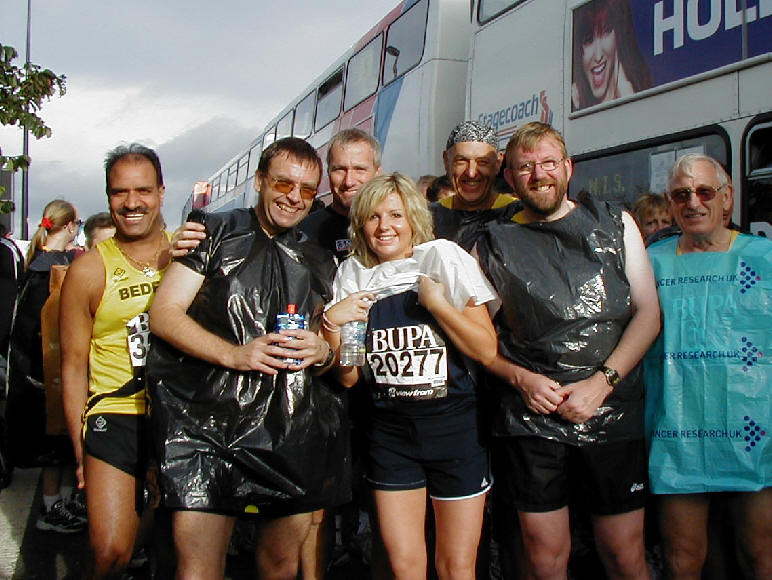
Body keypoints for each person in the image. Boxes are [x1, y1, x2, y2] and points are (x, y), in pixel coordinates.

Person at [147, 137, 348, 580]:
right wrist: (234, 355)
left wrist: (323, 351)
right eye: (283, 183)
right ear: (260, 181)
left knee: (280, 567)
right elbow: (164, 314)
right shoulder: (213, 231)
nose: (294, 197)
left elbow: (336, 345)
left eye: (306, 189)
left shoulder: (321, 257)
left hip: (288, 429)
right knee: (198, 569)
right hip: (204, 425)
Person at [479, 121, 660, 579]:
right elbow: (480, 339)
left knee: (624, 554)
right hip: (532, 416)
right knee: (545, 558)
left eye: (548, 163)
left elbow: (647, 314)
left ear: (568, 167)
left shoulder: (616, 224)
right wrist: (522, 380)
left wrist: (602, 383)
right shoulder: (492, 243)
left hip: (612, 410)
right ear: (510, 177)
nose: (539, 175)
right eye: (525, 167)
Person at [323, 173, 498, 580]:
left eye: (395, 215)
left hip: (455, 429)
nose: (384, 226)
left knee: (456, 566)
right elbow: (349, 377)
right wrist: (334, 323)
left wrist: (438, 305)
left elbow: (486, 349)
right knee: (404, 566)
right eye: (373, 217)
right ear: (360, 224)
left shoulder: (443, 257)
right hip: (390, 436)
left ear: (413, 218)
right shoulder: (352, 273)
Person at [644, 154, 772, 579]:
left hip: (755, 433)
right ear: (670, 202)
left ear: (727, 198)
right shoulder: (651, 262)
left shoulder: (765, 259)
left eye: (704, 192)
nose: (693, 203)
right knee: (682, 559)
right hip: (677, 435)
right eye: (682, 194)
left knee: (761, 556)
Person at [61, 144, 170, 576]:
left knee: (171, 550)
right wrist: (79, 451)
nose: (131, 202)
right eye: (119, 192)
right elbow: (73, 365)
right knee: (110, 552)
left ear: (161, 193)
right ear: (108, 197)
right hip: (116, 412)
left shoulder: (187, 254)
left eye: (142, 190)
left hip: (177, 413)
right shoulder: (88, 270)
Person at [5, 200, 86, 531]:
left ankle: (63, 501)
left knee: (62, 444)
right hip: (48, 370)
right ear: (68, 226)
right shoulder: (51, 269)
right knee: (56, 444)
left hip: (41, 369)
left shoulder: (36, 263)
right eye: (78, 223)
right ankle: (53, 506)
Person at [432, 120, 519, 251]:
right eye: (461, 161)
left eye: (482, 162)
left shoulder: (519, 215)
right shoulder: (428, 218)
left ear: (498, 163)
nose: (471, 173)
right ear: (446, 161)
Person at [571, 0, 652, 111]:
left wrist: (627, 96)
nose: (598, 56)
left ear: (619, 37)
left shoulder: (635, 92)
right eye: (588, 40)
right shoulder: (575, 103)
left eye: (606, 31)